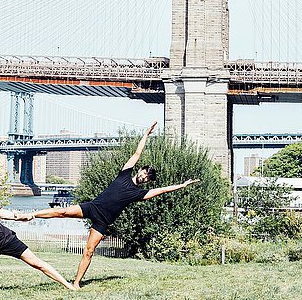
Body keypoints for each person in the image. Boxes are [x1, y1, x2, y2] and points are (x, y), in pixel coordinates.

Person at [16, 121, 199, 288]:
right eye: (144, 172)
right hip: (93, 207)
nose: (144, 177)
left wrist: (181, 185)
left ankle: (76, 283)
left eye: (147, 178)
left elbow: (163, 190)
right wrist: (146, 135)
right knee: (62, 212)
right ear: (141, 170)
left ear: (147, 181)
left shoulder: (140, 194)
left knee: (89, 251)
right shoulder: (125, 173)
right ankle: (32, 215)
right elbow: (137, 153)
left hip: (103, 221)